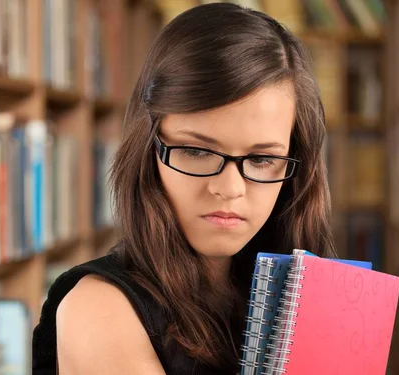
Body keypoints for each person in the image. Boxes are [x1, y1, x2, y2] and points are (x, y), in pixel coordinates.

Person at [32, 2, 336, 374]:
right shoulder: (99, 307)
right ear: (148, 149)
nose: (229, 188)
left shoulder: (289, 301)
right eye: (195, 151)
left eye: (260, 160)